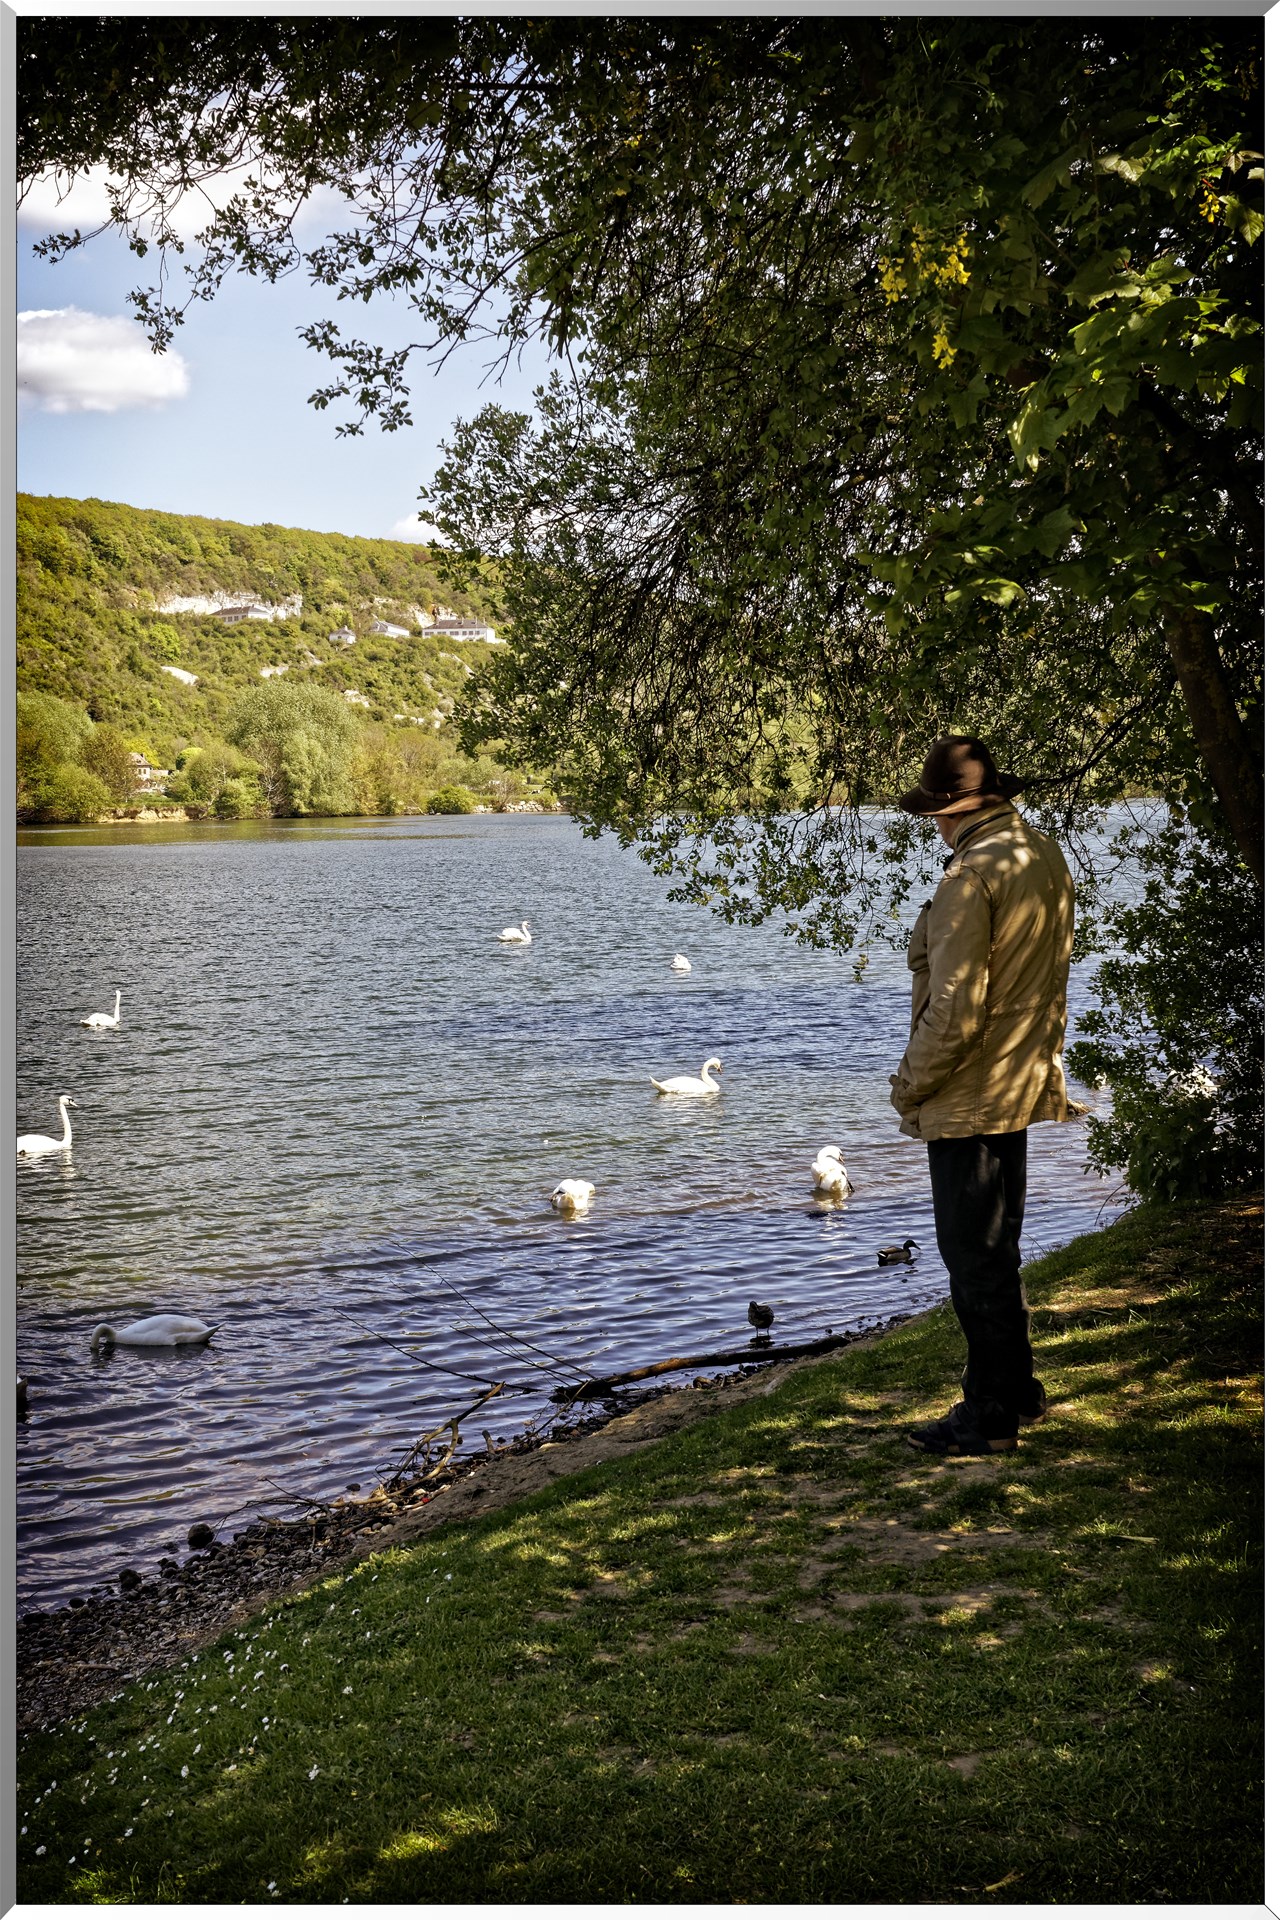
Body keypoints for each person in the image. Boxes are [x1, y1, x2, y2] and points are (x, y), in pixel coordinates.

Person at [888, 734, 1076, 1456]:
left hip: (970, 1088)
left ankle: (989, 1413)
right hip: (1018, 1075)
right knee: (998, 1245)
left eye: (936, 811)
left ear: (955, 810)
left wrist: (912, 1084)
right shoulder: (1041, 854)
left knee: (971, 1253)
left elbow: (957, 1008)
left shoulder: (970, 877)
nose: (932, 824)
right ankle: (1018, 1389)